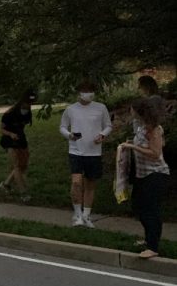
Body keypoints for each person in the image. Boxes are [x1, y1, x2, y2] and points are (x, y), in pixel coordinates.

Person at [59, 81, 112, 227]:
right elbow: (62, 127)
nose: (88, 93)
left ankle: (86, 215)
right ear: (79, 92)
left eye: (91, 90)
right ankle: (77, 214)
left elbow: (108, 126)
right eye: (85, 90)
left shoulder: (101, 108)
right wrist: (70, 135)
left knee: (90, 184)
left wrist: (102, 135)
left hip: (94, 152)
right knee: (76, 182)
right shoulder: (71, 109)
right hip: (76, 150)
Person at [122, 98, 170, 258]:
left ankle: (153, 246)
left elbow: (156, 153)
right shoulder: (142, 128)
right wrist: (131, 143)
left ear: (138, 111)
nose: (130, 111)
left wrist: (134, 147)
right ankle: (148, 237)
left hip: (155, 174)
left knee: (151, 210)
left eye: (132, 109)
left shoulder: (154, 129)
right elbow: (146, 145)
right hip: (142, 174)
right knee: (138, 207)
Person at [0, 91, 36, 200]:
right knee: (17, 165)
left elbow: (22, 126)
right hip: (9, 140)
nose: (29, 105)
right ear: (22, 101)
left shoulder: (28, 112)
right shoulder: (9, 113)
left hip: (21, 139)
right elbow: (1, 129)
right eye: (28, 102)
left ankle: (5, 184)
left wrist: (18, 135)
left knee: (23, 165)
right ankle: (23, 192)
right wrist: (11, 134)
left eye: (32, 103)